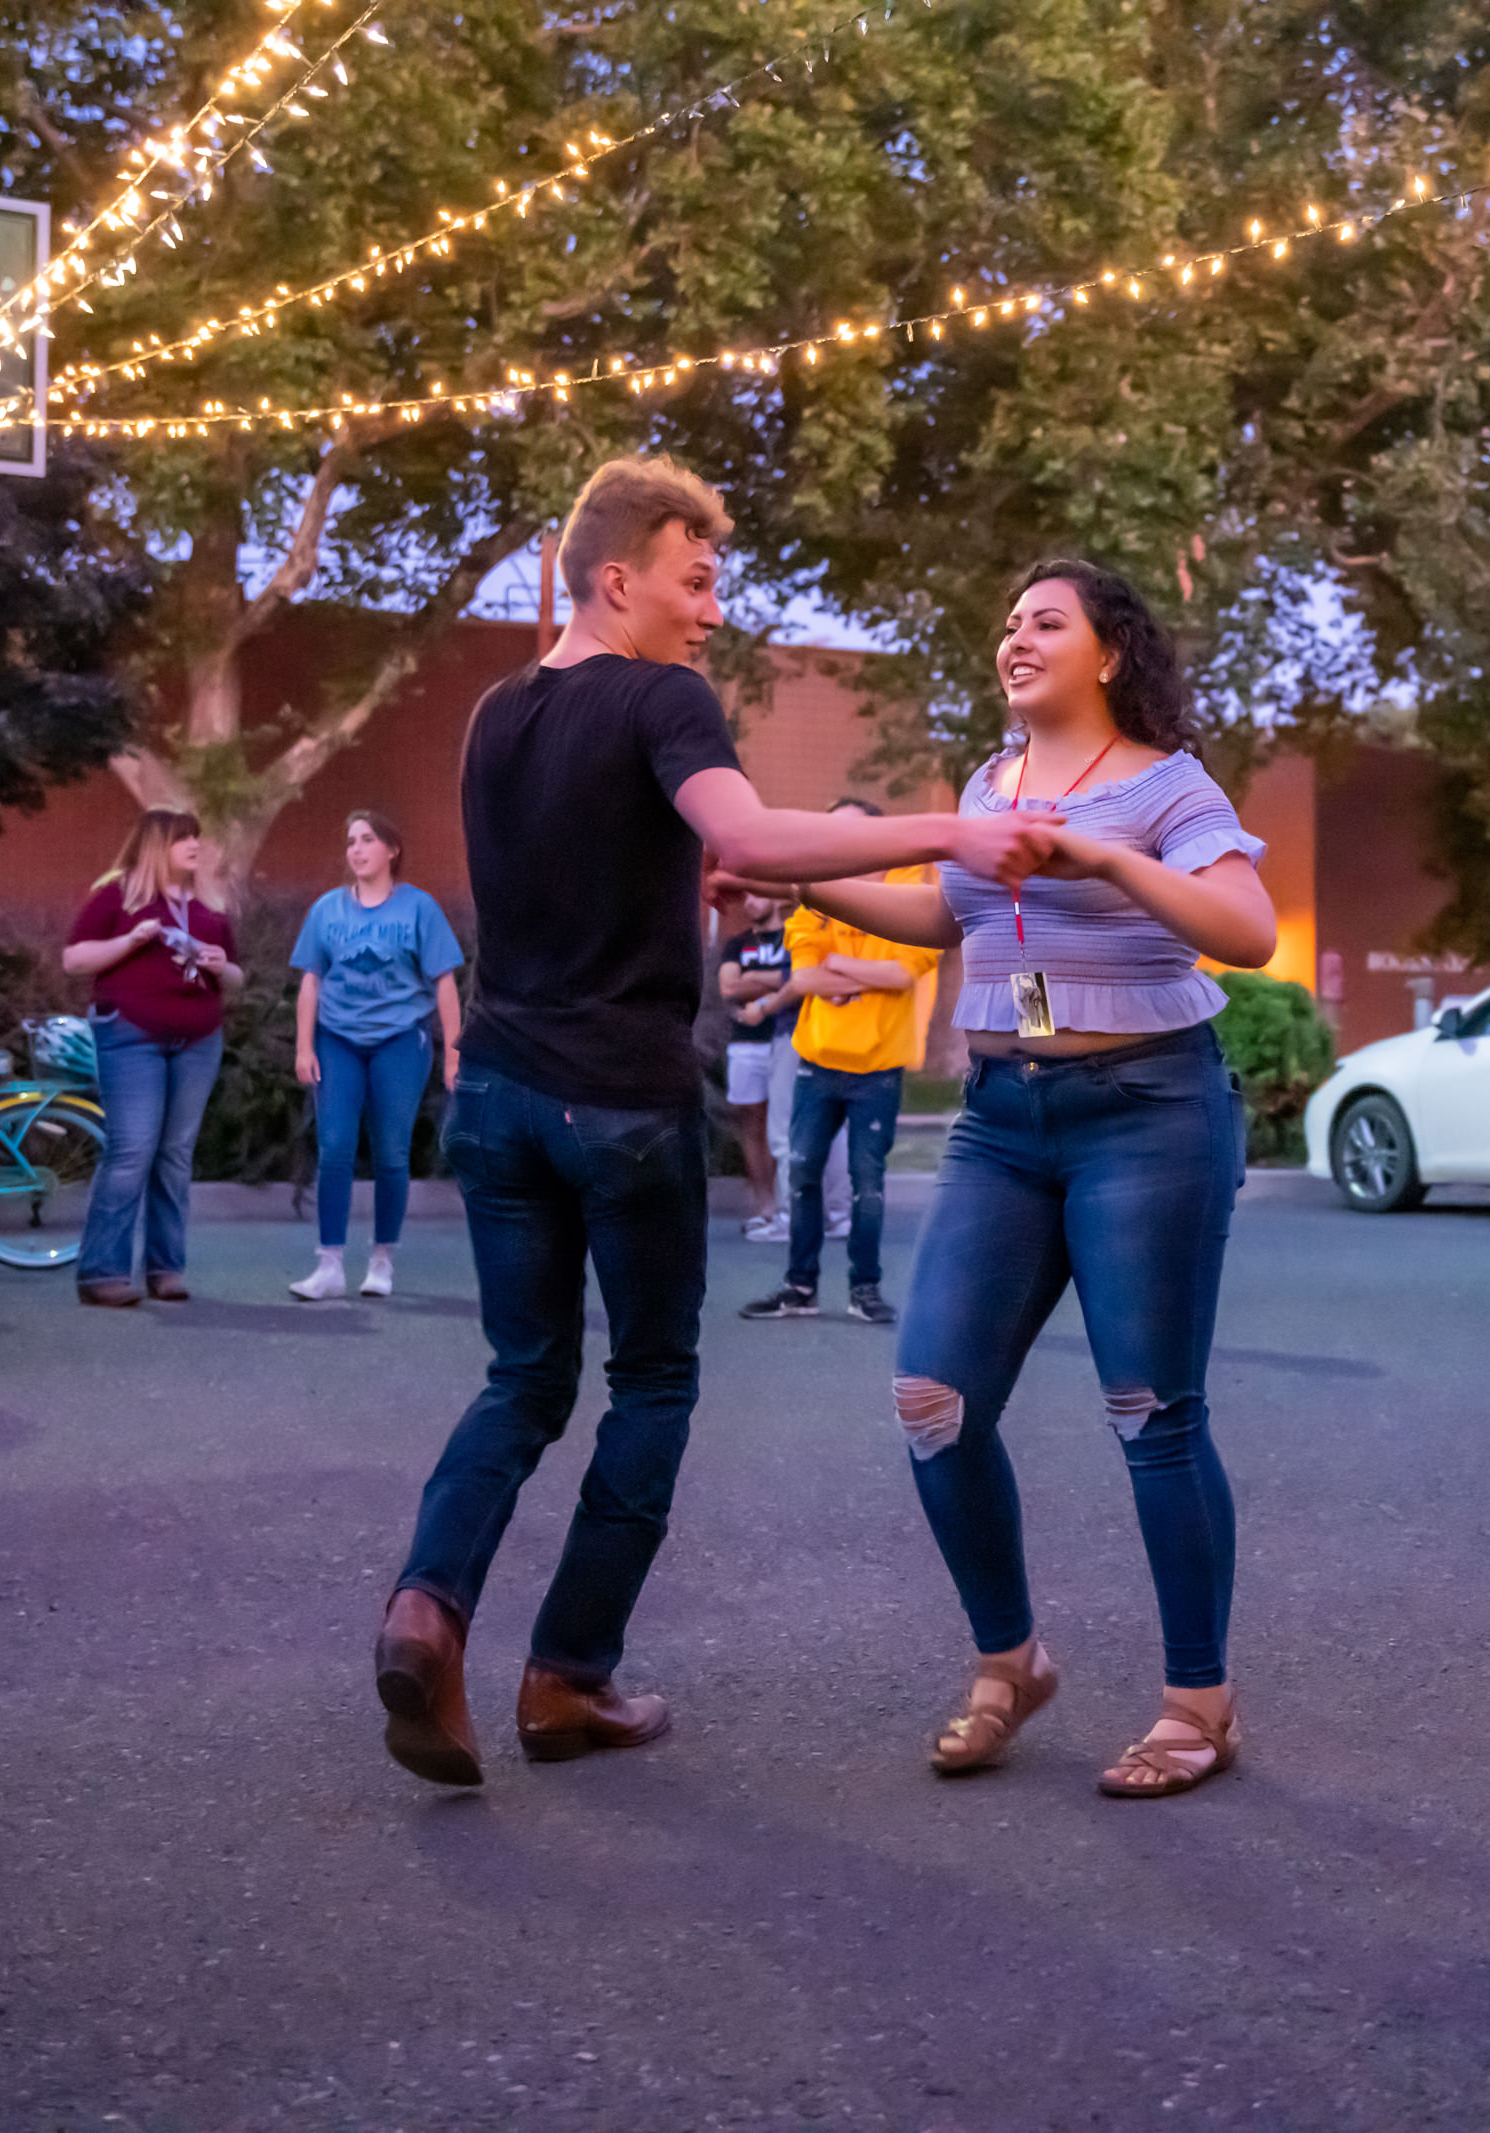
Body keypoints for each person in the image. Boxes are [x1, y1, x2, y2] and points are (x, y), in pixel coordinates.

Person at [372, 453, 1049, 1789]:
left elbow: (579, 876)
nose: (713, 611)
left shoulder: (495, 714)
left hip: (496, 1092)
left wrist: (690, 896)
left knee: (523, 1380)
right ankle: (569, 1673)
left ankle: (424, 1609)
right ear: (618, 579)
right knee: (653, 1380)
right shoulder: (661, 696)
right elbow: (753, 833)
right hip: (617, 1102)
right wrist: (950, 835)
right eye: (695, 580)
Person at [743, 557, 1270, 1799]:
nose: (1014, 638)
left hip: (1146, 1114)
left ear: (1110, 653)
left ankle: (1199, 1705)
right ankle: (1010, 1661)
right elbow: (946, 918)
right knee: (932, 1398)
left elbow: (1245, 931)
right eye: (1007, 622)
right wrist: (793, 873)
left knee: (1150, 1411)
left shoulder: (1168, 785)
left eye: (1045, 621)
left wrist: (1109, 862)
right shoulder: (989, 784)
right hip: (999, 1120)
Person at [737, 801, 941, 1326]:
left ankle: (864, 1290)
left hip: (879, 1067)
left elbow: (904, 974)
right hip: (818, 1061)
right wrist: (867, 972)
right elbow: (804, 978)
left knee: (867, 1184)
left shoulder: (909, 892)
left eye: (850, 833)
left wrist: (838, 965)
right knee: (802, 1172)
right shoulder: (816, 893)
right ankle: (799, 1287)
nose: (837, 842)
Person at [63, 810, 243, 1308]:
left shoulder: (208, 908)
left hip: (198, 1038)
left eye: (197, 838)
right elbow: (74, 959)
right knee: (132, 1149)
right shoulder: (118, 897)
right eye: (183, 839)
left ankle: (166, 1269)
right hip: (131, 1034)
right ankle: (102, 1272)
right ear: (156, 846)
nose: (195, 846)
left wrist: (221, 966)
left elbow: (236, 977)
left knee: (176, 1154)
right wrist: (131, 940)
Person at [288, 810, 463, 1302]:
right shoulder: (327, 910)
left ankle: (382, 1259)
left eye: (367, 839)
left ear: (391, 850)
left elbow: (445, 982)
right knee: (335, 1147)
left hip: (400, 1041)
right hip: (337, 1041)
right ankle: (328, 1264)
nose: (357, 849)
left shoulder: (419, 909)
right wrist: (304, 1045)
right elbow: (311, 981)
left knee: (391, 1151)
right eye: (351, 841)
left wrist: (454, 1054)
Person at [710, 891, 791, 1237]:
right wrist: (779, 979)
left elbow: (801, 977)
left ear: (777, 897)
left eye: (758, 894)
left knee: (783, 1126)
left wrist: (754, 979)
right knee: (752, 1127)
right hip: (745, 1044)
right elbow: (729, 988)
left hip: (786, 1040)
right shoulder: (737, 943)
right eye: (746, 897)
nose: (749, 902)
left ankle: (788, 1208)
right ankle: (764, 1207)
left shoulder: (794, 937)